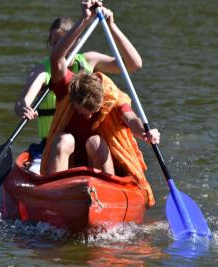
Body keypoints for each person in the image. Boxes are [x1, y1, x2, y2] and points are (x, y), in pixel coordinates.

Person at [40, 0, 159, 207]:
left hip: (99, 161)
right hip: (68, 163)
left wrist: (147, 134)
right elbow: (56, 58)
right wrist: (84, 19)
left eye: (91, 112)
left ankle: (108, 199)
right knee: (63, 139)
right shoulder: (66, 88)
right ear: (73, 100)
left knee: (95, 142)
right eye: (80, 110)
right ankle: (54, 199)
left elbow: (131, 119)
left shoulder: (111, 96)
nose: (86, 116)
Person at [14, 5, 143, 165]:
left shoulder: (90, 60)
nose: (62, 48)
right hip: (52, 145)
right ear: (50, 43)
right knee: (60, 145)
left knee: (98, 146)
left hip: (89, 142)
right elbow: (24, 100)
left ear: (78, 42)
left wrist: (112, 26)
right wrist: (23, 107)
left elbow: (133, 64)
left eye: (65, 43)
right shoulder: (44, 70)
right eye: (55, 43)